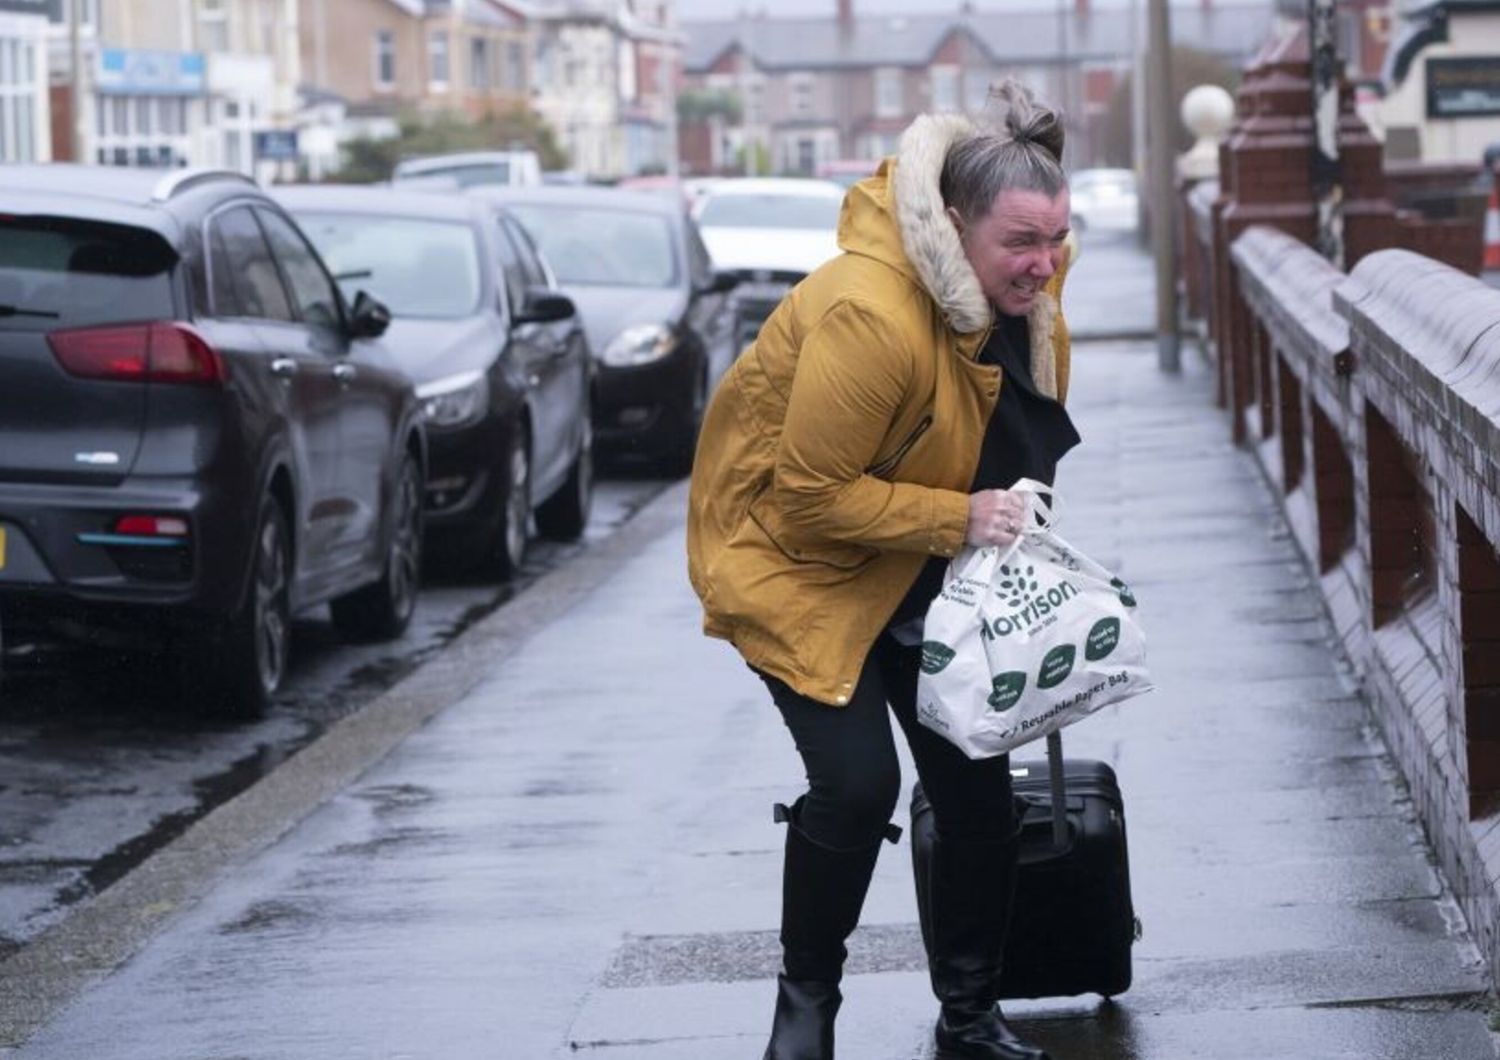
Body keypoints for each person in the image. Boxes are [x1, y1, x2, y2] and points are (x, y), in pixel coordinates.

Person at [686, 79, 1079, 1060]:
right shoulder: (872, 316)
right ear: (953, 226)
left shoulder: (1021, 292)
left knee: (981, 792)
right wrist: (962, 516)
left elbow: (1003, 432)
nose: (1043, 263)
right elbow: (808, 496)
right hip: (797, 564)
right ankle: (804, 1009)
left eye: (1057, 237)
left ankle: (972, 1016)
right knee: (858, 785)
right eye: (1021, 243)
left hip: (925, 567)